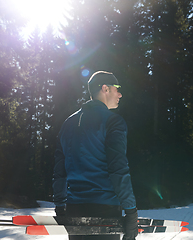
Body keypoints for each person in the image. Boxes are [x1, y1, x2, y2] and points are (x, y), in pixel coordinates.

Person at [52, 71, 138, 240]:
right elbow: (118, 168)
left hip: (74, 210)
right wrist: (131, 211)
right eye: (117, 88)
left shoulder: (68, 123)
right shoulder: (113, 121)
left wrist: (60, 206)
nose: (120, 94)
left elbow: (59, 172)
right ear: (105, 88)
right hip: (105, 210)